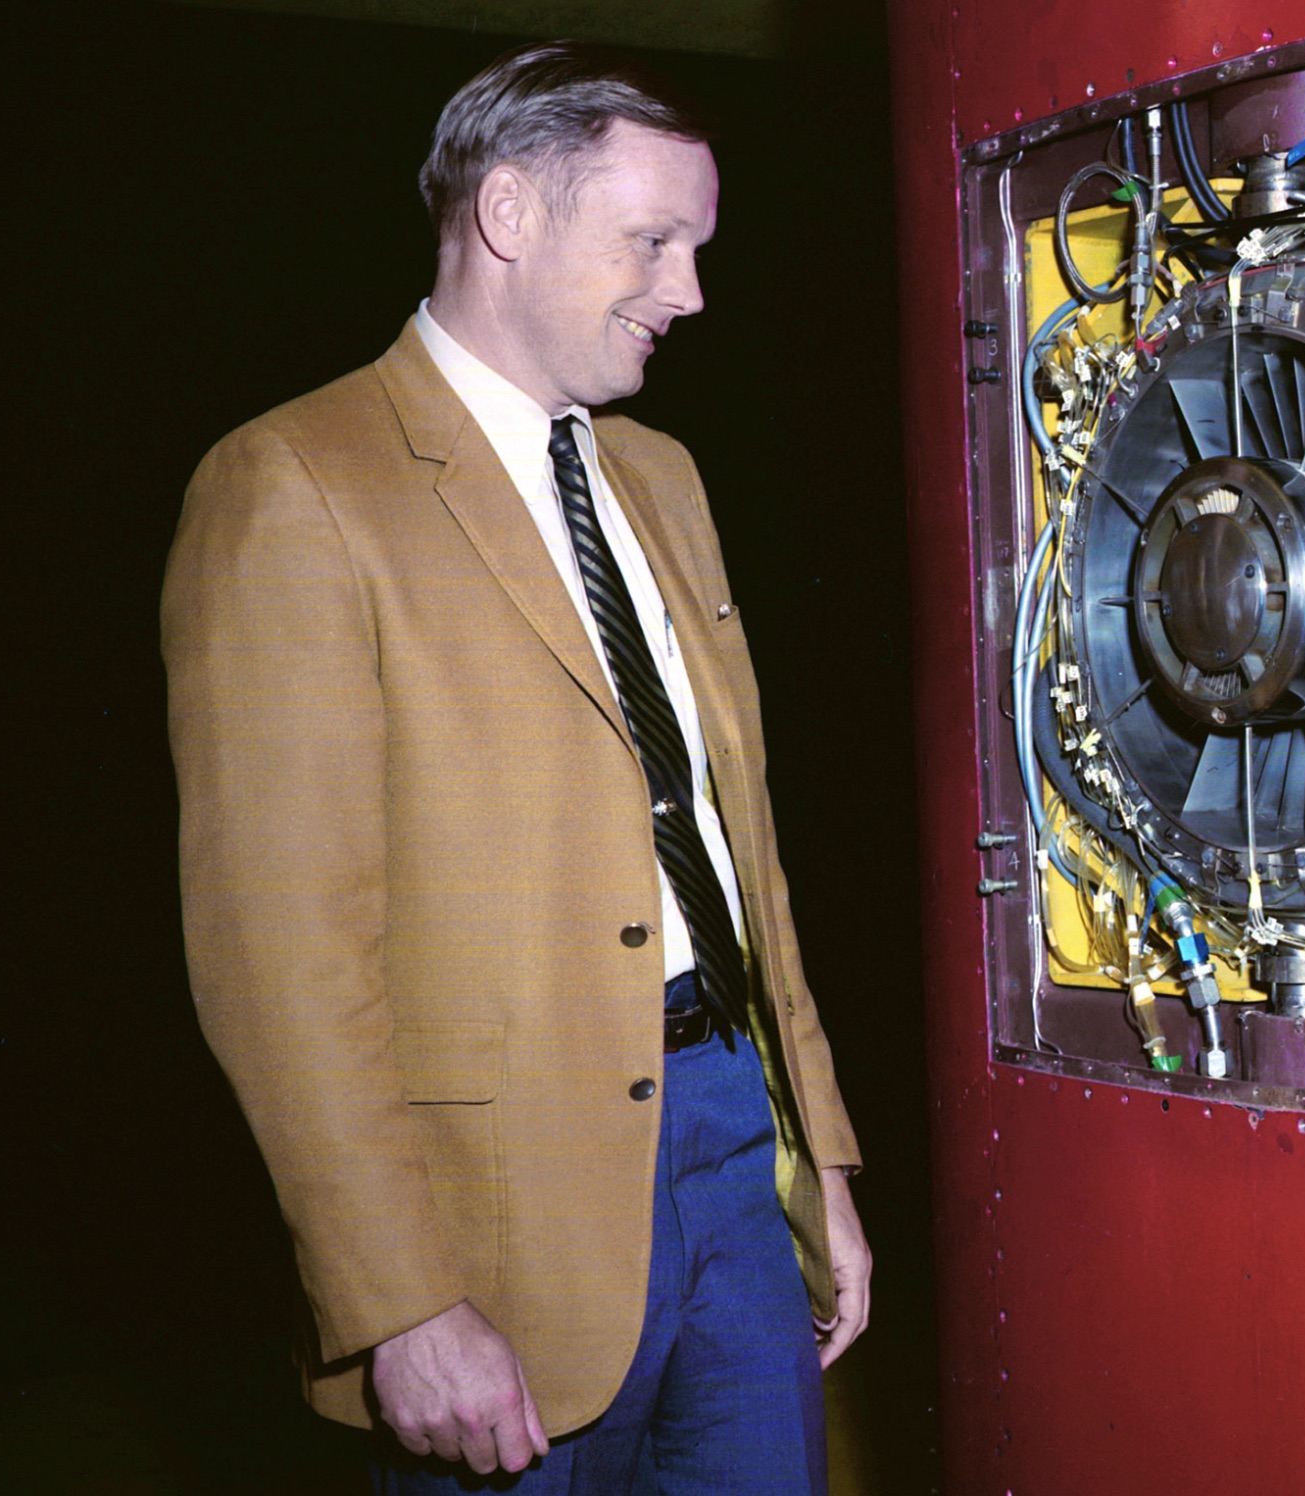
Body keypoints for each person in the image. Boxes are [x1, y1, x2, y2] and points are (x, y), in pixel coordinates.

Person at [162, 41, 869, 1494]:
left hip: (736, 1147)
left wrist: (820, 1168)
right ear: (507, 215)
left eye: (696, 246)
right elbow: (277, 951)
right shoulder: (292, 484)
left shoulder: (662, 476)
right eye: (652, 241)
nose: (688, 290)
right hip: (491, 1227)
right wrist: (397, 1300)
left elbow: (741, 855)